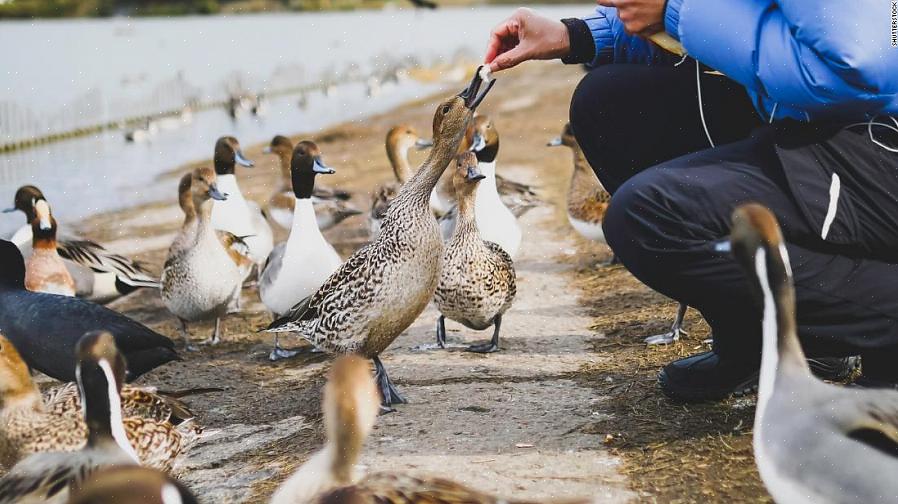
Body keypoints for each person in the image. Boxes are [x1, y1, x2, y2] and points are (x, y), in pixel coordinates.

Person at [484, 1, 898, 401]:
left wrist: (674, 12)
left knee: (650, 218)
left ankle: (872, 318)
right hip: (815, 122)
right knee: (609, 102)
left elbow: (857, 64)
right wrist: (578, 35)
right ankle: (759, 338)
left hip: (877, 141)